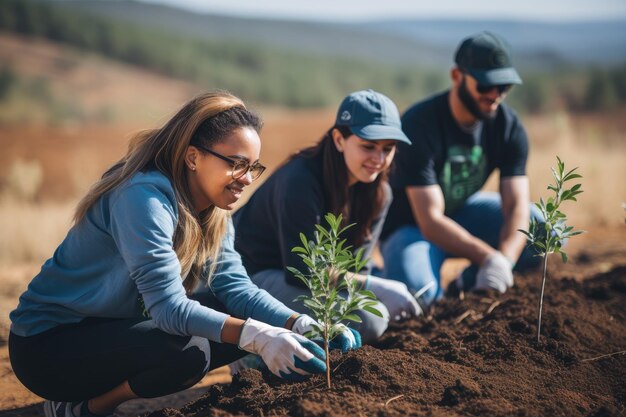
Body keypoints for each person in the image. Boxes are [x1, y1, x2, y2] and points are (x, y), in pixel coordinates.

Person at [9, 92, 360, 417]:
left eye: (253, 167)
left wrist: (298, 323)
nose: (247, 179)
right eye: (236, 163)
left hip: (112, 329)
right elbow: (168, 309)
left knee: (234, 314)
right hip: (50, 347)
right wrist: (258, 336)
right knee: (188, 353)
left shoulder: (214, 209)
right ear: (193, 157)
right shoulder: (143, 199)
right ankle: (81, 408)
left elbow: (237, 288)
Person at [233, 89, 422, 344]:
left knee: (372, 315)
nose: (378, 159)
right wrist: (375, 286)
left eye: (388, 149)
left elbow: (357, 266)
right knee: (367, 320)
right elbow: (303, 270)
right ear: (339, 139)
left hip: (306, 282)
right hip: (253, 275)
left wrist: (367, 286)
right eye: (368, 146)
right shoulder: (300, 181)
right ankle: (252, 350)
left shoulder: (380, 193)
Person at [380, 31, 542, 307]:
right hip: (410, 226)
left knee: (540, 232)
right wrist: (487, 258)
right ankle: (379, 278)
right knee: (422, 297)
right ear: (457, 76)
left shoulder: (509, 126)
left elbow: (516, 204)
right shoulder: (419, 124)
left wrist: (503, 262)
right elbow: (430, 220)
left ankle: (466, 284)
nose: (495, 95)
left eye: (504, 86)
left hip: (462, 212)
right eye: (486, 85)